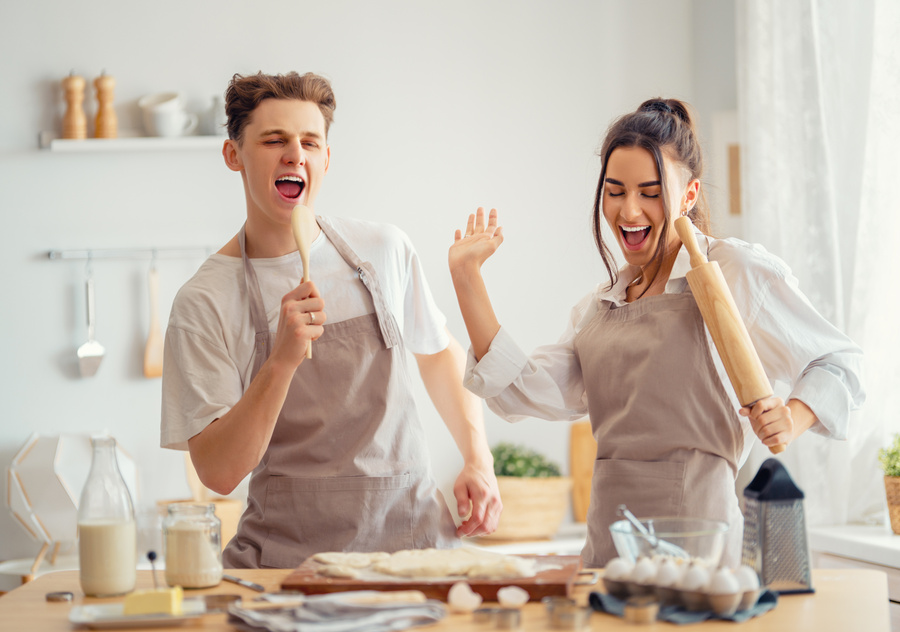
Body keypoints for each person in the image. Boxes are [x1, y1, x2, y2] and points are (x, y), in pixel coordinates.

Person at [447, 98, 864, 567]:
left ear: (689, 195)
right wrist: (467, 280)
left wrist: (794, 414)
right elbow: (523, 390)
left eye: (650, 192)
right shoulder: (599, 306)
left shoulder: (733, 271)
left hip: (700, 552)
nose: (629, 210)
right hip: (608, 553)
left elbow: (840, 363)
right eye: (615, 190)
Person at [161, 71, 501, 569]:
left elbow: (438, 353)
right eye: (273, 139)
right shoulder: (205, 300)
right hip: (287, 566)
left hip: (412, 551)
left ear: (325, 159)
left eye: (309, 142)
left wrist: (478, 457)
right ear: (233, 156)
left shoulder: (382, 250)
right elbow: (218, 472)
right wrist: (280, 362)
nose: (294, 154)